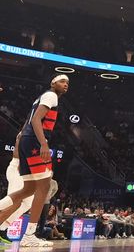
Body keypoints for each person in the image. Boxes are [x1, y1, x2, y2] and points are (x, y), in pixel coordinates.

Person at [0, 75, 69, 247]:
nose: (65, 84)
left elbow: (29, 123)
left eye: (68, 83)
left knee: (29, 189)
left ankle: (22, 233)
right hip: (35, 142)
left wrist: (25, 139)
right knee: (43, 187)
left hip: (28, 141)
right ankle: (29, 235)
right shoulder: (51, 96)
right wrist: (44, 143)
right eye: (62, 81)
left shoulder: (40, 99)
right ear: (52, 83)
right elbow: (36, 119)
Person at [0, 132, 59, 242]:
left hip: (24, 175)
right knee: (16, 203)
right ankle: (2, 229)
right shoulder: (27, 135)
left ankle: (2, 228)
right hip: (18, 171)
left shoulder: (37, 138)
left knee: (27, 203)